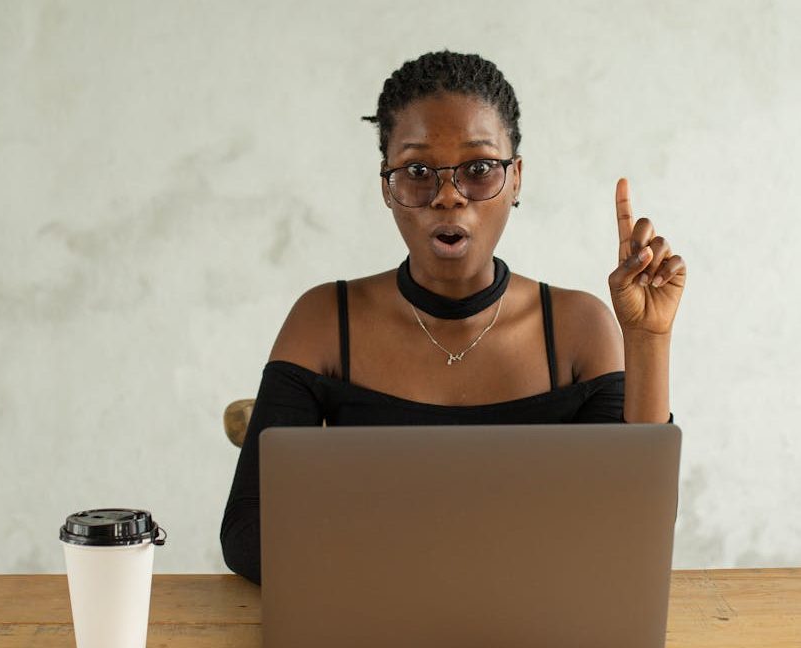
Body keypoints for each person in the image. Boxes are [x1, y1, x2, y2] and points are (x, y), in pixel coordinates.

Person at [220, 51, 686, 585]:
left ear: (515, 181)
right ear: (386, 186)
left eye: (479, 169)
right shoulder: (326, 320)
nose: (448, 195)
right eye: (418, 172)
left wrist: (648, 339)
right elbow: (248, 534)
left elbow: (635, 532)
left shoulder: (579, 328)